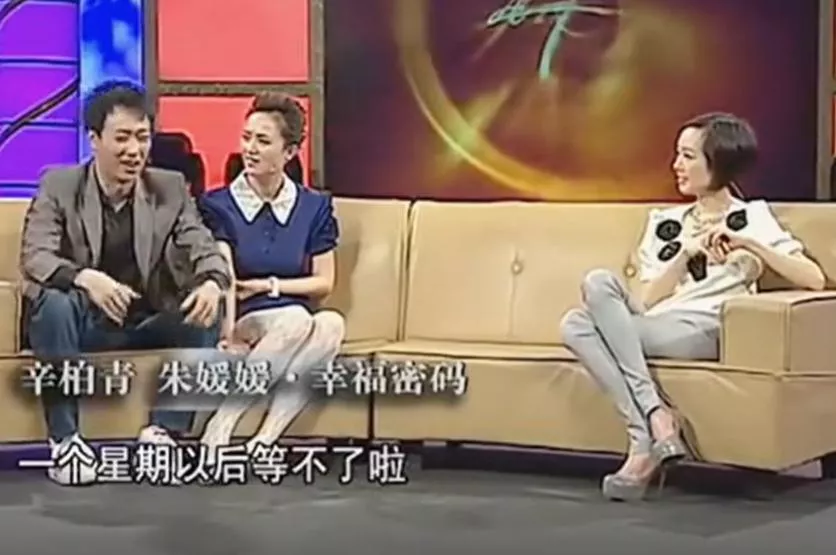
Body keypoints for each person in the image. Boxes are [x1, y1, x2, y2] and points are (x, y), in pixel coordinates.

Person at [559, 112, 826, 501]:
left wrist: (748, 244)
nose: (676, 165)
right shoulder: (665, 223)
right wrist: (684, 255)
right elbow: (644, 301)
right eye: (677, 155)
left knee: (579, 325)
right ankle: (656, 420)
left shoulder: (752, 218)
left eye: (687, 156)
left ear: (718, 164)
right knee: (586, 302)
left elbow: (814, 279)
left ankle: (642, 436)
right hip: (657, 322)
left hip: (705, 326)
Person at [20, 81, 230, 486]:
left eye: (142, 138)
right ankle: (66, 443)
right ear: (94, 139)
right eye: (122, 138)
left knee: (205, 306)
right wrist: (86, 278)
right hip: (82, 324)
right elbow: (36, 256)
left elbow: (202, 245)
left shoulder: (168, 187)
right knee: (53, 303)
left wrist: (211, 280)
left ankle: (162, 434)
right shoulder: (59, 185)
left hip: (145, 319)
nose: (134, 150)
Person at [197, 92, 345, 458]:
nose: (250, 149)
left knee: (331, 324)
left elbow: (324, 283)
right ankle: (222, 424)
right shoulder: (217, 205)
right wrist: (227, 335)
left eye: (262, 141)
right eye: (246, 137)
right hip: (246, 316)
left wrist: (269, 285)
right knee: (296, 318)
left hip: (294, 318)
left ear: (289, 152)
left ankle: (264, 440)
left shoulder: (314, 207)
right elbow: (224, 276)